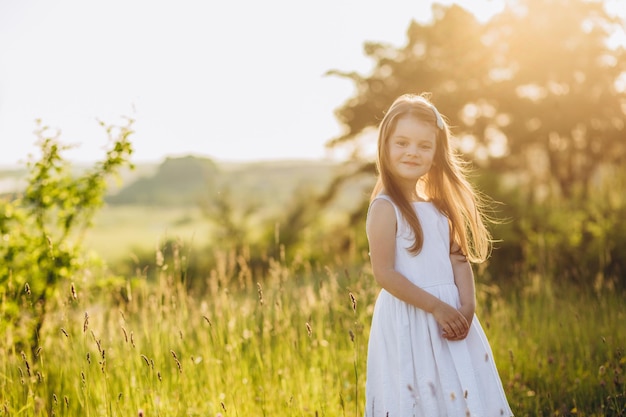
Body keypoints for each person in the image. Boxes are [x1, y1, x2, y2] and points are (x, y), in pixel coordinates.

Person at [363, 93, 513, 417]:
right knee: (419, 395)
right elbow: (384, 273)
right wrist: (436, 307)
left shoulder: (438, 206)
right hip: (412, 317)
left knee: (460, 393)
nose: (412, 152)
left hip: (453, 318)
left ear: (436, 153)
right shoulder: (385, 208)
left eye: (423, 146)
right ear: (385, 146)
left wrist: (467, 308)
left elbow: (459, 260)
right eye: (402, 143)